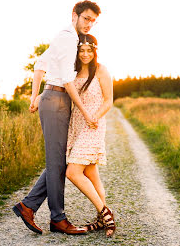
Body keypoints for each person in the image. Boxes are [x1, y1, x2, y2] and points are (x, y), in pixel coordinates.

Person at [12, 0, 101, 235]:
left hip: (55, 98)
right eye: (86, 18)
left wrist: (35, 95)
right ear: (75, 15)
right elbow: (67, 81)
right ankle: (57, 218)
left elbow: (40, 64)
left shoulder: (68, 37)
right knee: (56, 162)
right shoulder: (68, 37)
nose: (89, 24)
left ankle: (28, 206)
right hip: (57, 99)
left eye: (93, 21)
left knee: (58, 162)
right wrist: (84, 111)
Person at [66, 33, 115, 238]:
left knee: (73, 172)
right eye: (81, 50)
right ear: (77, 51)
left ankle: (106, 215)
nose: (85, 54)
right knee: (91, 173)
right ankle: (100, 219)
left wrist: (94, 117)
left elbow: (109, 100)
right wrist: (38, 98)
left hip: (93, 126)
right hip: (76, 125)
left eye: (89, 50)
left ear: (95, 51)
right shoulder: (72, 70)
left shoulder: (101, 70)